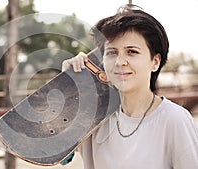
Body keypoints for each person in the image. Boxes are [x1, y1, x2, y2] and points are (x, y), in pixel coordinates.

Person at [61, 4, 198, 169]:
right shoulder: (95, 116)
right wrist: (67, 86)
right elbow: (57, 154)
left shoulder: (174, 120)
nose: (120, 62)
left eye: (131, 51)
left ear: (155, 61)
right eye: (111, 52)